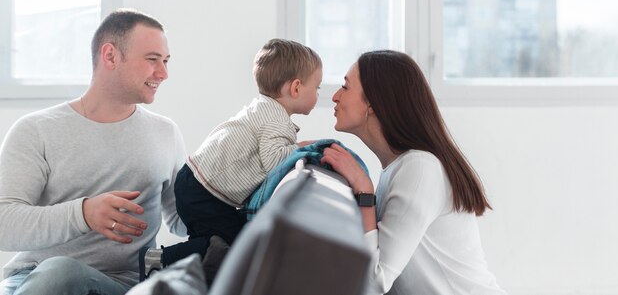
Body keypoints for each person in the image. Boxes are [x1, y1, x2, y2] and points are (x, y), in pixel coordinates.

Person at [0, 9, 187, 295]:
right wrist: (84, 213)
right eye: (152, 60)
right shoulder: (36, 130)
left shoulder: (166, 133)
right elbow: (4, 223)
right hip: (35, 279)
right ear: (110, 56)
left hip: (123, 285)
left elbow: (181, 220)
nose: (163, 73)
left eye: (165, 61)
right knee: (59, 273)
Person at [321, 50, 507, 295]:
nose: (335, 96)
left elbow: (373, 283)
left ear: (373, 104)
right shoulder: (399, 168)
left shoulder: (419, 169)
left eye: (345, 87)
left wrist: (364, 192)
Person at [142, 38, 323, 280]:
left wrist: (295, 146)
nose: (318, 94)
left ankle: (181, 275)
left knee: (216, 243)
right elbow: (274, 160)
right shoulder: (277, 120)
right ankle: (160, 261)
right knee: (230, 242)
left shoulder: (263, 107)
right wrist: (306, 151)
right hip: (204, 192)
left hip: (196, 183)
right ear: (297, 88)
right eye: (317, 87)